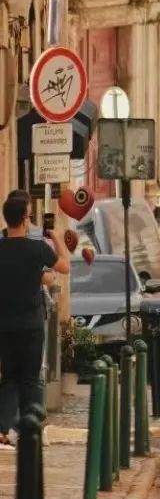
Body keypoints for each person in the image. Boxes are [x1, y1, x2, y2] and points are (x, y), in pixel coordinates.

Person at [0, 191, 70, 446]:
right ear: (24, 219)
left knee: (8, 377)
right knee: (29, 379)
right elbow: (65, 266)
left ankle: (3, 429)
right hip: (30, 324)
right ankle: (30, 430)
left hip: (4, 324)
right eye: (29, 216)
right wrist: (57, 238)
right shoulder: (37, 248)